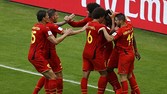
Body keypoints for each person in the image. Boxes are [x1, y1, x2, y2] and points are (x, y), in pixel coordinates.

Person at [28, 10, 72, 94]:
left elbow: (53, 25)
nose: (49, 17)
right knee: (53, 77)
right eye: (47, 16)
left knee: (48, 76)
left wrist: (65, 22)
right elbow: (55, 41)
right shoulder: (45, 28)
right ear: (44, 18)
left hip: (33, 54)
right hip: (37, 56)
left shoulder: (35, 26)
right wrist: (66, 34)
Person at [100, 13, 141, 94]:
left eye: (116, 20)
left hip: (124, 55)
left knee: (123, 78)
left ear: (121, 21)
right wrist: (136, 50)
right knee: (128, 75)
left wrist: (104, 29)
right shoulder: (130, 25)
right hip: (130, 53)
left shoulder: (120, 31)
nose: (115, 22)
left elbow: (109, 39)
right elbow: (133, 37)